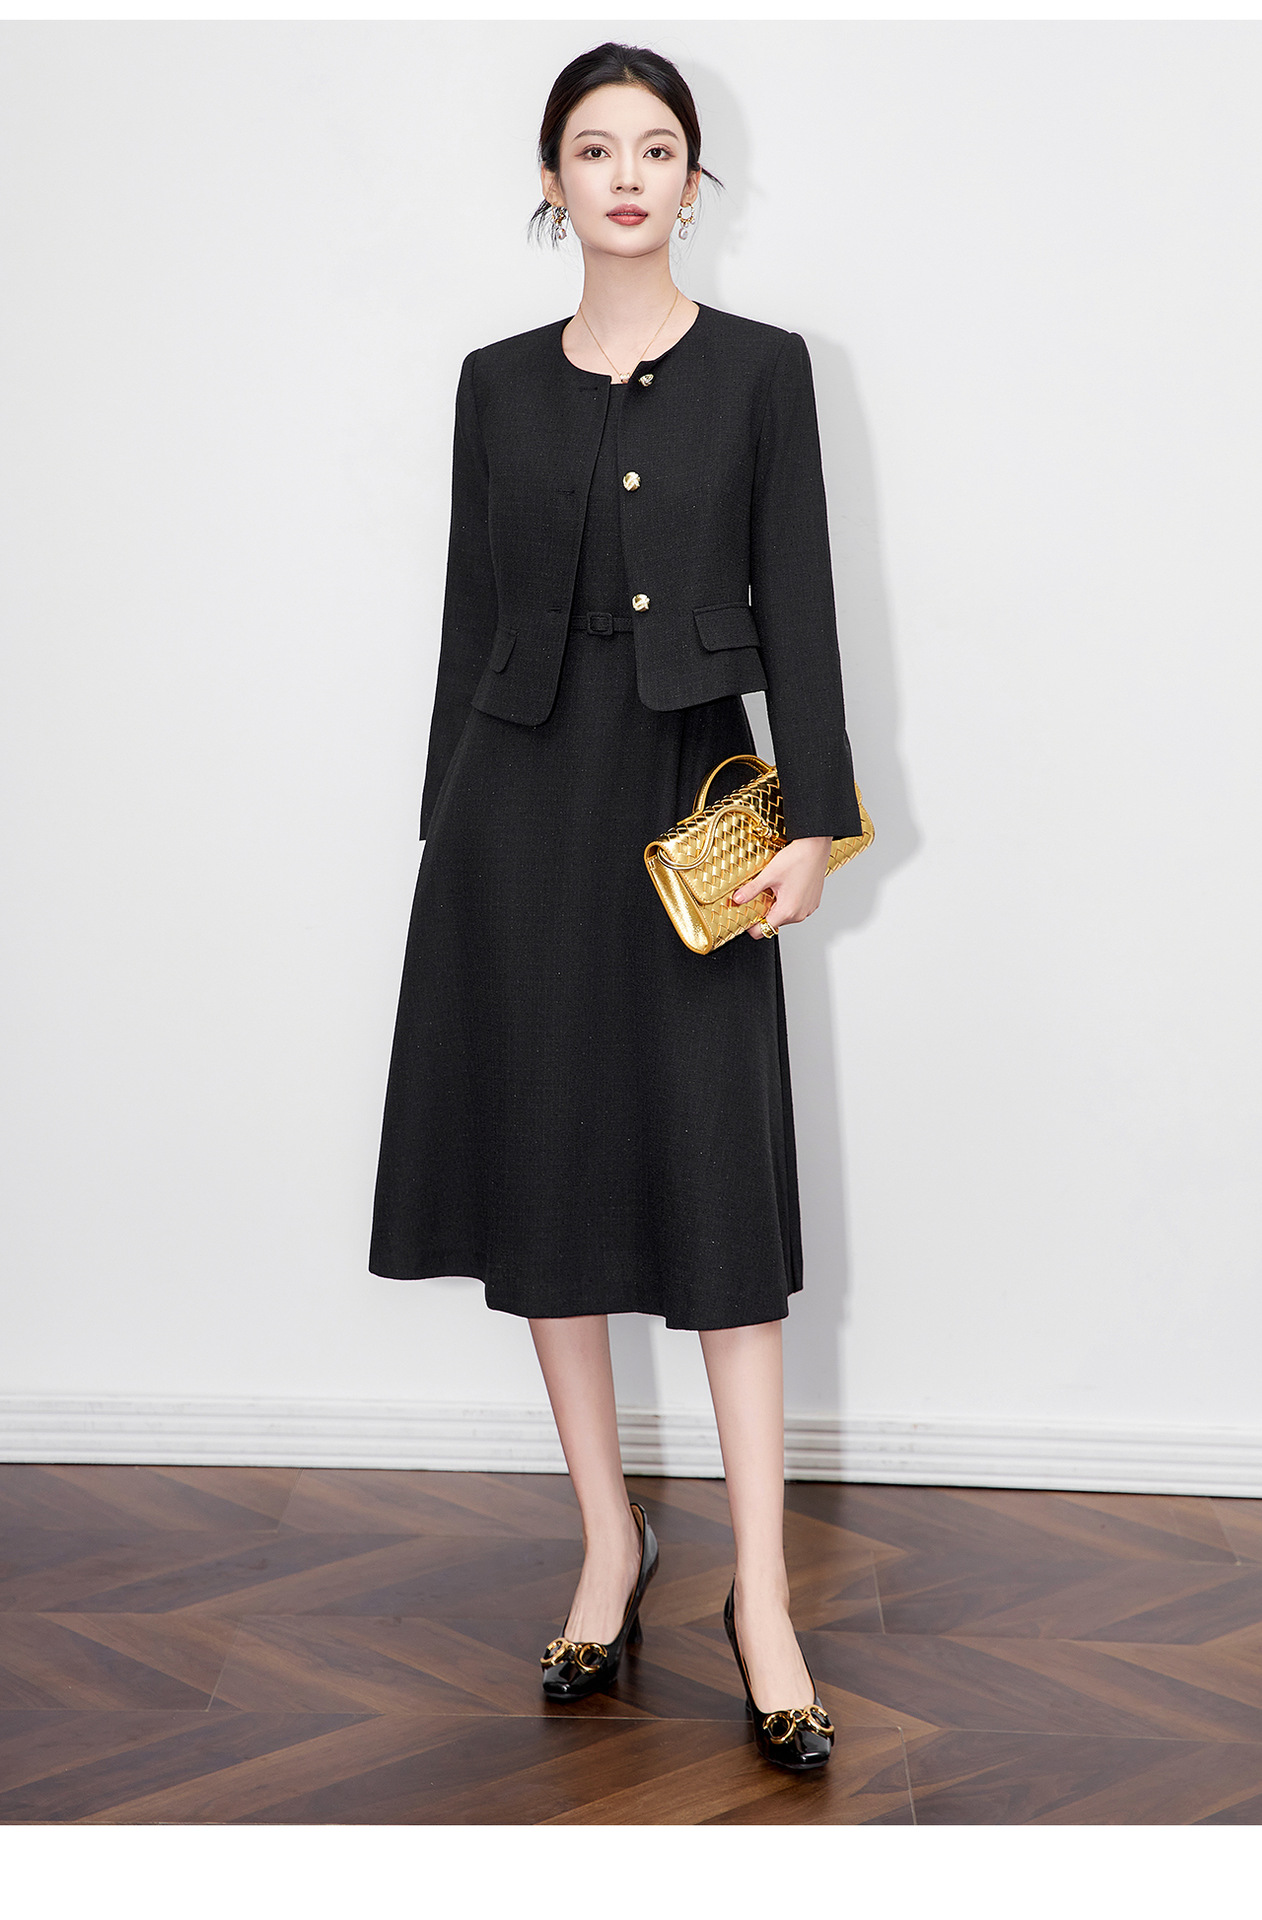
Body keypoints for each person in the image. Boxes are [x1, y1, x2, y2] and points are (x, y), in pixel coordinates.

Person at [369, 40, 863, 1774]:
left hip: (687, 806)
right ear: (553, 181)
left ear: (693, 183)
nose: (628, 175)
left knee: (714, 1187)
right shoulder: (493, 383)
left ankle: (762, 1600)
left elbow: (803, 605)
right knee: (549, 1177)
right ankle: (606, 1544)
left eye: (657, 148)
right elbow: (466, 615)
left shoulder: (765, 371)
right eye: (596, 149)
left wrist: (819, 822)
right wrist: (443, 833)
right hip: (515, 818)